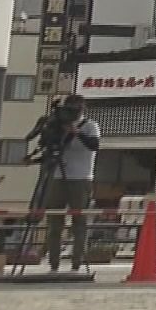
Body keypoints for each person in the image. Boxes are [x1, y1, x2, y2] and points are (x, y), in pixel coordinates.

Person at [29, 93, 101, 272]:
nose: (71, 113)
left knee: (79, 221)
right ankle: (53, 263)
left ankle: (77, 263)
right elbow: (51, 148)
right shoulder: (58, 126)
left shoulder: (90, 126)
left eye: (75, 109)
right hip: (57, 178)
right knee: (54, 222)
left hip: (81, 178)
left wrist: (76, 132)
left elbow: (94, 145)